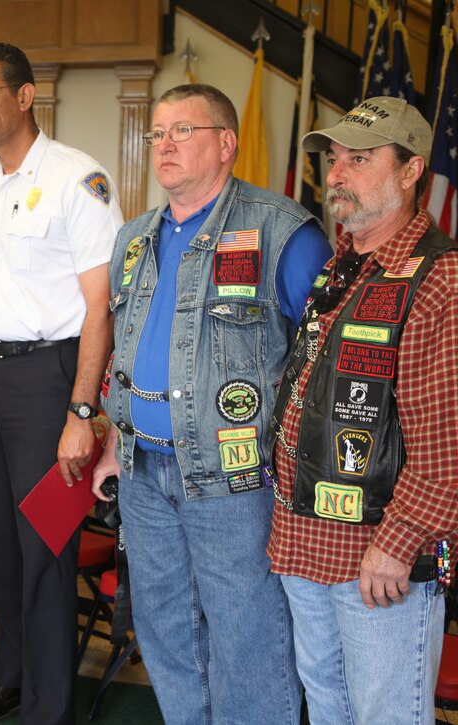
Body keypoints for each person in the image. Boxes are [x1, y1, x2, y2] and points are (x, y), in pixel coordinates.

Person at [90, 84, 333, 724]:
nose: (164, 145)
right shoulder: (135, 239)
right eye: (158, 133)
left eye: (183, 131)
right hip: (144, 473)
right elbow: (127, 349)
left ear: (226, 144)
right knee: (167, 630)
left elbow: (326, 367)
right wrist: (116, 441)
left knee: (247, 635)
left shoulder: (282, 231)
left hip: (236, 477)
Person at [268, 96, 458, 724]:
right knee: (326, 710)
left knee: (386, 718)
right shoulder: (339, 263)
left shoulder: (440, 277)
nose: (337, 173)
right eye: (333, 159)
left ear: (411, 172)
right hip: (304, 541)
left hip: (378, 559)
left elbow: (446, 443)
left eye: (360, 159)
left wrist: (399, 543)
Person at [0, 42, 122, 724]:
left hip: (50, 381)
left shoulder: (79, 179)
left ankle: (48, 709)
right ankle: (14, 681)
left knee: (45, 543)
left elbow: (99, 305)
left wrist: (82, 409)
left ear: (24, 96)